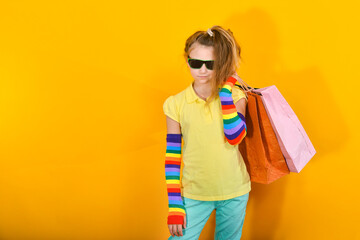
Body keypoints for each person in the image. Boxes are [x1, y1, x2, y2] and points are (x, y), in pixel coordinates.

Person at [163, 25, 251, 240]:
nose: (202, 70)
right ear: (187, 61)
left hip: (235, 192)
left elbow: (235, 138)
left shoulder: (236, 97)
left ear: (220, 64)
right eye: (196, 63)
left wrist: (225, 91)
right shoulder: (175, 104)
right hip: (194, 194)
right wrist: (175, 205)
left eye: (210, 64)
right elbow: (172, 158)